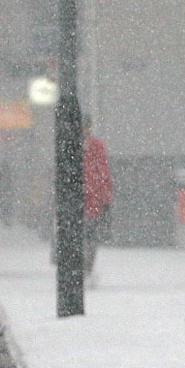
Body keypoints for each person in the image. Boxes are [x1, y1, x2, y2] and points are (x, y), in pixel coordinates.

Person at [82, 113, 113, 278]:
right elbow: (103, 173)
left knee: (88, 236)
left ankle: (86, 268)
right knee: (87, 237)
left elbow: (103, 173)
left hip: (90, 201)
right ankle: (85, 267)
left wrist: (105, 198)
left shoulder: (95, 146)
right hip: (87, 201)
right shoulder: (93, 146)